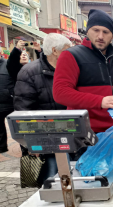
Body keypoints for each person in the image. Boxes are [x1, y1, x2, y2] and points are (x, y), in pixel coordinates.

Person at [53, 9, 113, 135]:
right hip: (84, 133)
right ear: (88, 31)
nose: (100, 36)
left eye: (105, 32)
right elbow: (60, 93)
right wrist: (100, 101)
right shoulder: (71, 55)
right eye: (96, 30)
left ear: (112, 35)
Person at [13, 33, 71, 185]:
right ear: (55, 50)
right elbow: (23, 110)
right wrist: (29, 143)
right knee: (50, 184)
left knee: (75, 180)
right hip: (47, 141)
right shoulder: (29, 72)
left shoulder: (69, 70)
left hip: (71, 137)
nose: (71, 53)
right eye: (67, 49)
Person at [0, 47, 14, 153]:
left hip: (10, 101)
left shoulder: (8, 64)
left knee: (16, 126)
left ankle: (25, 147)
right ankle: (2, 147)